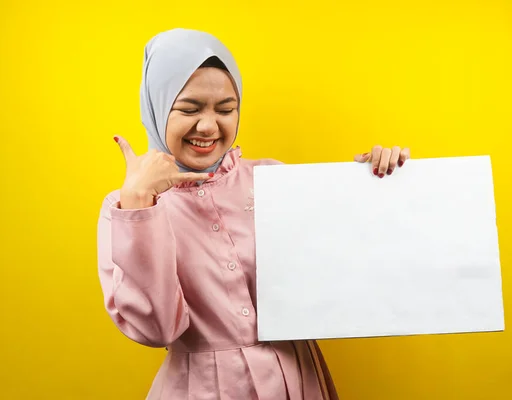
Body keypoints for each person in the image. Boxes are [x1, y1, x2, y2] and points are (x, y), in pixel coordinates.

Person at [97, 28, 410, 400]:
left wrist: (376, 181)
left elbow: (349, 265)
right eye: (189, 108)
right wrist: (139, 203)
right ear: (157, 106)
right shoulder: (125, 208)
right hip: (200, 390)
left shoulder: (274, 180)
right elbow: (156, 329)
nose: (209, 126)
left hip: (297, 381)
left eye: (226, 109)